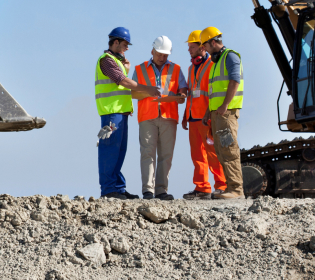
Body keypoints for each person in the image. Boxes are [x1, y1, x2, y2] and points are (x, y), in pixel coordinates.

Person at [95, 27, 160, 200]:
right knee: (109, 151)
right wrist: (148, 89)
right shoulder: (106, 60)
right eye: (125, 44)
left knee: (119, 151)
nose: (127, 48)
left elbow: (120, 87)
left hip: (120, 114)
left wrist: (125, 67)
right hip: (111, 114)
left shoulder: (116, 62)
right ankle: (109, 189)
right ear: (115, 42)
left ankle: (118, 188)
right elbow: (122, 81)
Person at [133, 36, 186, 200]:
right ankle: (148, 190)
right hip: (147, 116)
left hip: (168, 116)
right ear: (152, 51)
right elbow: (133, 92)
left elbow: (183, 89)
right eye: (159, 54)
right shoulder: (140, 69)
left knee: (166, 154)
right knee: (147, 153)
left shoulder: (176, 68)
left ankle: (161, 190)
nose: (162, 58)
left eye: (165, 55)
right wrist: (147, 91)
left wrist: (182, 95)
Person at [201, 26, 245, 199]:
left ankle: (236, 189)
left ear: (213, 42)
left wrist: (225, 105)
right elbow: (214, 92)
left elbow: (235, 80)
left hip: (226, 114)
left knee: (229, 149)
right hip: (218, 114)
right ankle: (230, 188)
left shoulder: (230, 57)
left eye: (205, 46)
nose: (204, 50)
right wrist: (208, 112)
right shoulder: (216, 63)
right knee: (220, 150)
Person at [182, 30, 225, 200]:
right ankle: (202, 188)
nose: (189, 50)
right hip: (193, 118)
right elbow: (192, 93)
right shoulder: (191, 67)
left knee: (213, 153)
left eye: (191, 46)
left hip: (207, 118)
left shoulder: (212, 65)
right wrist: (186, 115)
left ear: (202, 47)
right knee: (197, 155)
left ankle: (222, 186)